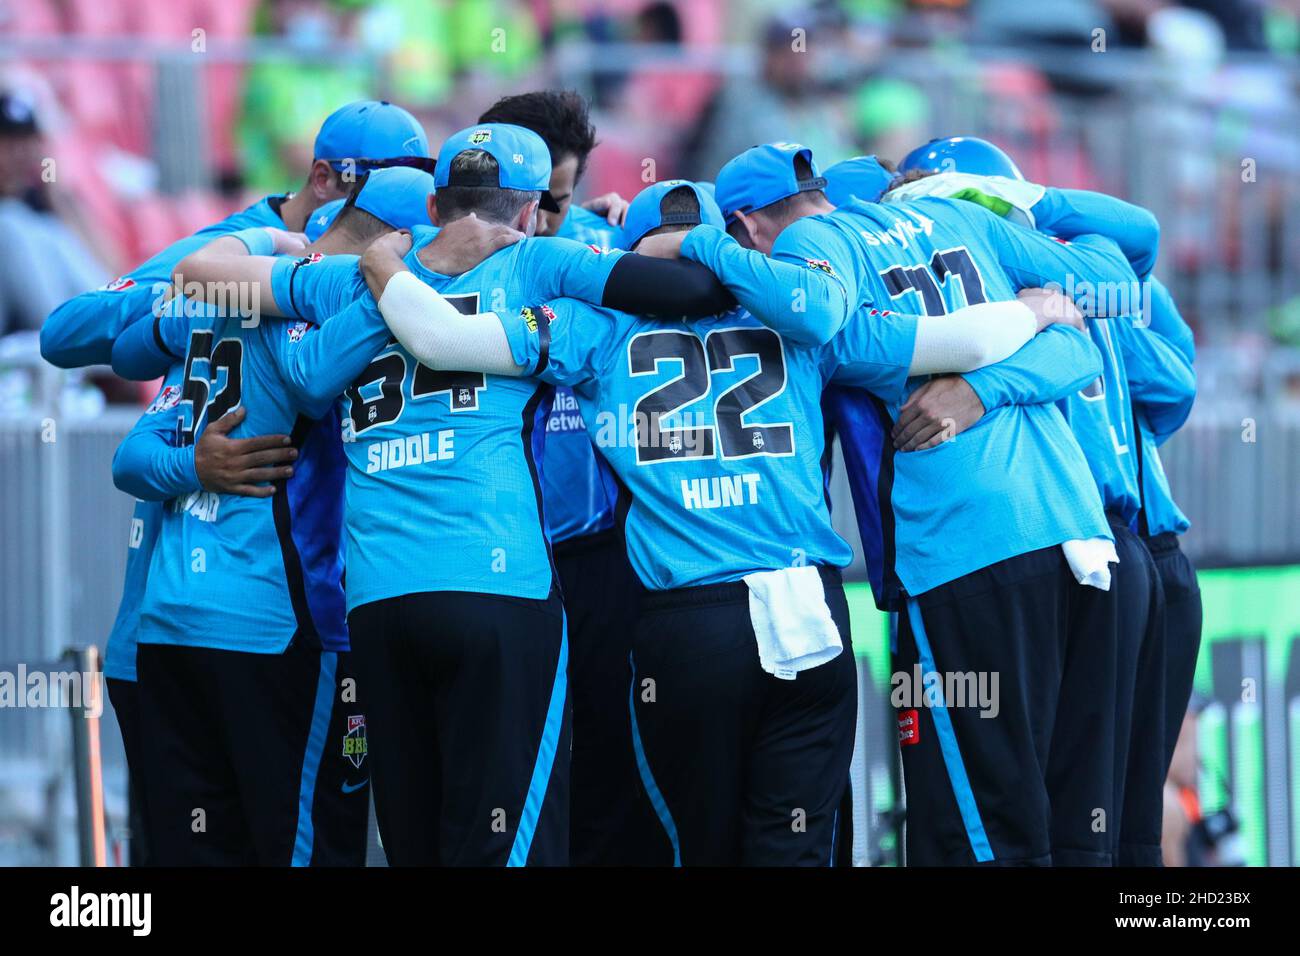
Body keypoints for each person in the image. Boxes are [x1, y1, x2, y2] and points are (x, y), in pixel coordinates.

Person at [356, 178, 1092, 865]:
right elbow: (961, 343)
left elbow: (444, 339)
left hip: (687, 621)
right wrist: (1035, 311)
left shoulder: (592, 326)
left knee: (698, 852)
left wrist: (386, 264)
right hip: (805, 609)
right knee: (794, 850)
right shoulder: (803, 321)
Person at [173, 123, 732, 865]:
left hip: (378, 602)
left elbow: (194, 274)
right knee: (505, 846)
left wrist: (389, 264)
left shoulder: (357, 276)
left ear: (434, 205)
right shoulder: (538, 261)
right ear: (530, 208)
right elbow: (693, 291)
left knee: (418, 845)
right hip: (497, 588)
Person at [639, 142, 1146, 865]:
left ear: (748, 227)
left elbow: (829, 330)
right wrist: (1021, 320)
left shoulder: (810, 248)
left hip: (968, 555)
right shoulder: (950, 216)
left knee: (981, 833)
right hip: (1078, 543)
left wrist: (975, 382)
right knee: (1078, 831)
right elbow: (1099, 318)